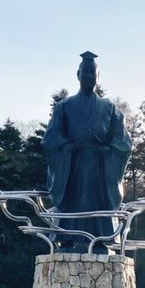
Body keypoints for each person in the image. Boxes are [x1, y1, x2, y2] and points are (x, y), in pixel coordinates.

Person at [42, 51, 132, 252]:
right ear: (78, 75)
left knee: (98, 207)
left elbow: (123, 142)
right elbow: (50, 139)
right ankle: (67, 238)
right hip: (72, 166)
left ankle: (100, 240)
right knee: (72, 202)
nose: (89, 78)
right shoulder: (64, 107)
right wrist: (67, 148)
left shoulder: (109, 108)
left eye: (93, 74)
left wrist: (107, 152)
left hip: (101, 167)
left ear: (98, 77)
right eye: (85, 73)